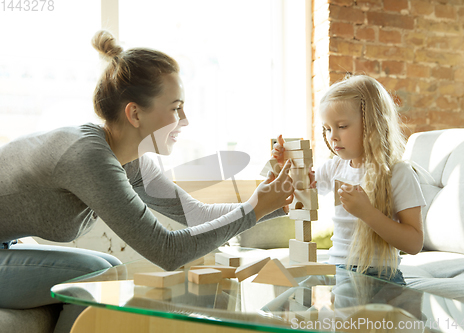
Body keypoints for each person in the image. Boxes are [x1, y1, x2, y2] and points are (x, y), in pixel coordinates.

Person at [0, 30, 294, 333]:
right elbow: (168, 251)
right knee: (100, 273)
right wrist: (255, 209)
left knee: (110, 268)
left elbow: (195, 214)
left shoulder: (130, 160)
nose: (185, 119)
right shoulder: (87, 156)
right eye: (175, 108)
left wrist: (275, 203)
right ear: (135, 113)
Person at [272, 75, 426, 285]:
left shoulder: (398, 173)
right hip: (338, 273)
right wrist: (287, 166)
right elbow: (296, 200)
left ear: (372, 124)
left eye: (342, 126)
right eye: (327, 129)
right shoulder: (335, 167)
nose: (332, 136)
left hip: (378, 279)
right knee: (280, 290)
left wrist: (367, 213)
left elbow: (414, 243)